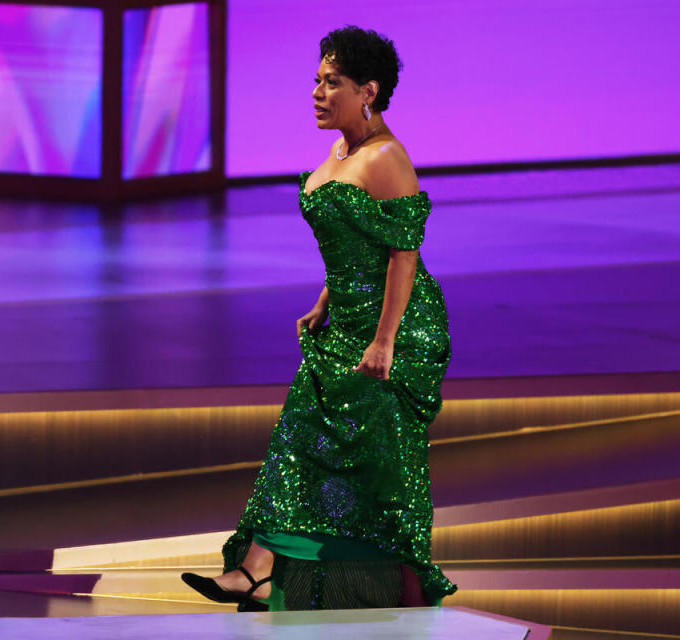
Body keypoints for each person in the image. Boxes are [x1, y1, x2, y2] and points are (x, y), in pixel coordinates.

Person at [182, 25, 455, 611]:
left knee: (381, 455)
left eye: (332, 83)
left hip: (398, 326)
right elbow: (352, 242)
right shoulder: (340, 151)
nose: (317, 92)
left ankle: (403, 587)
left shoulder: (388, 158)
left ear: (368, 91)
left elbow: (403, 256)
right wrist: (325, 300)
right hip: (347, 319)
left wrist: (384, 342)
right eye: (317, 80)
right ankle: (255, 569)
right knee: (299, 428)